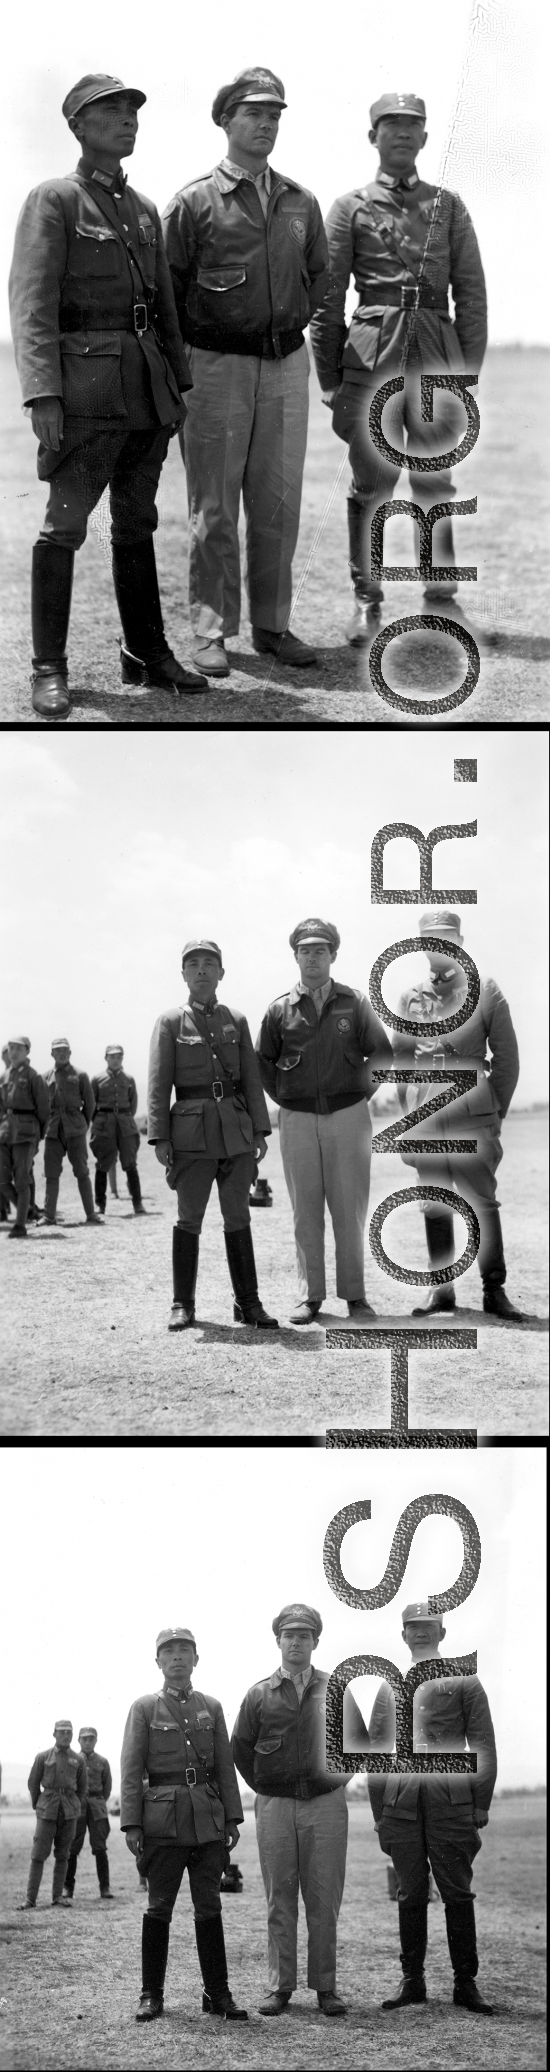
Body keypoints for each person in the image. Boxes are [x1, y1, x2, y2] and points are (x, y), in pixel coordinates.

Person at [8, 73, 209, 716]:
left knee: (137, 523)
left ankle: (146, 652)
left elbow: (165, 307)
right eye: (110, 111)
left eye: (131, 112)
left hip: (147, 391)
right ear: (78, 127)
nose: (126, 120)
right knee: (64, 527)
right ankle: (49, 668)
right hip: (85, 390)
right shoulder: (54, 200)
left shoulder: (144, 209)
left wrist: (178, 383)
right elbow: (32, 305)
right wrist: (43, 394)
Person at [163, 68, 329, 677]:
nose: (266, 124)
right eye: (253, 113)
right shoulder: (194, 201)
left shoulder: (299, 201)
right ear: (225, 120)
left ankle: (272, 625)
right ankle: (211, 631)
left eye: (275, 115)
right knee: (214, 509)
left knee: (278, 504)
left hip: (286, 364)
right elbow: (167, 293)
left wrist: (286, 325)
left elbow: (320, 278)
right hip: (216, 367)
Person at [309, 93, 487, 642]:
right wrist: (332, 379)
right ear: (374, 138)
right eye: (392, 126)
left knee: (435, 480)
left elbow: (472, 293)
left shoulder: (448, 206)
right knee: (371, 486)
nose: (403, 135)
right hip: (372, 359)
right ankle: (367, 600)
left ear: (426, 139)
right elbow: (327, 298)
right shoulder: (349, 207)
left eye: (413, 126)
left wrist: (467, 372)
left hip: (436, 354)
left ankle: (442, 597)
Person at [232, 1602, 368, 2017]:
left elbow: (359, 1745)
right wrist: (269, 1789)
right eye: (289, 1635)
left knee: (324, 1897)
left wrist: (328, 1784)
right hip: (273, 1807)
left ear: (315, 1641)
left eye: (304, 1636)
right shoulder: (258, 1694)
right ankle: (280, 1987)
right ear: (278, 1641)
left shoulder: (335, 1688)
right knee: (280, 1897)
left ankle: (326, 1987)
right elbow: (239, 1750)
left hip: (325, 1807)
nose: (296, 1642)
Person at [256, 918, 393, 1321]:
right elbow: (261, 1061)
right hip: (297, 1119)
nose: (312, 957)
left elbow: (382, 1055)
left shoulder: (354, 1003)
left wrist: (357, 1095)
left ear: (333, 955)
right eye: (305, 950)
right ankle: (309, 1296)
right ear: (295, 956)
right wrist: (283, 1097)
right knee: (305, 1210)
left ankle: (355, 1296)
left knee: (349, 1208)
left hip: (348, 1117)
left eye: (320, 950)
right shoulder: (280, 1009)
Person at [393, 909, 524, 1318]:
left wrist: (492, 1111)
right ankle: (441, 1291)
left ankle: (494, 1290)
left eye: (447, 938)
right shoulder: (410, 997)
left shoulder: (486, 991)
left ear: (460, 943)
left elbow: (507, 1061)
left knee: (481, 1202)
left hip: (473, 1113)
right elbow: (400, 1061)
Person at [367, 1601, 497, 2014]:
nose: (421, 1633)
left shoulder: (465, 1681)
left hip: (451, 1799)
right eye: (413, 1627)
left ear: (442, 1633)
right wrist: (378, 1812)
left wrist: (480, 1802)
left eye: (428, 1626)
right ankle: (413, 1981)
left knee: (457, 1891)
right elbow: (375, 1752)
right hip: (401, 1800)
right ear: (403, 1634)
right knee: (410, 1892)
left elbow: (482, 1745)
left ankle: (465, 1983)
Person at [148, 938, 278, 1330]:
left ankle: (248, 1303)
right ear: (183, 974)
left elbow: (252, 1081)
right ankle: (182, 1304)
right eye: (194, 964)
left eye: (209, 963)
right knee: (189, 1219)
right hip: (191, 1134)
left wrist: (259, 1129)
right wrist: (160, 1136)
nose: (202, 970)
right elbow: (158, 1083)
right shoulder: (170, 1022)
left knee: (238, 1216)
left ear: (221, 972)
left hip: (236, 1131)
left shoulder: (236, 1019)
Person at [120, 1626, 247, 2022]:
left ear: (196, 1659)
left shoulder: (211, 1705)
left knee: (209, 1907)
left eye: (184, 1650)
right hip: (162, 1822)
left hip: (207, 1822)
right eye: (169, 1651)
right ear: (158, 1661)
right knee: (159, 1908)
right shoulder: (144, 1708)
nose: (177, 1657)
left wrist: (231, 1816)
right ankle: (151, 1995)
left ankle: (218, 1994)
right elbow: (131, 1768)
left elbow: (225, 1767)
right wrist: (132, 1824)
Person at [22, 1721, 87, 1909]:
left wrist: (73, 1804)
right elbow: (33, 1783)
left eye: (69, 1732)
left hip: (69, 1811)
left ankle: (57, 1896)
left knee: (63, 1854)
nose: (65, 1735)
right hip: (47, 1809)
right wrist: (38, 1804)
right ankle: (30, 1899)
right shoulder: (43, 1757)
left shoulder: (78, 1760)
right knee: (38, 1854)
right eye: (61, 1732)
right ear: (54, 1734)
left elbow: (82, 1788)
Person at [43, 1039, 102, 1225]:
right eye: (57, 1050)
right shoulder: (44, 1077)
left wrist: (82, 1124)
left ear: (70, 1052)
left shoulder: (80, 1075)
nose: (61, 1053)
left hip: (75, 1128)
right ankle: (48, 1216)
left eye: (65, 1050)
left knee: (82, 1172)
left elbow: (90, 1103)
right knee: (51, 1173)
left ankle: (91, 1214)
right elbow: (41, 1105)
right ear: (51, 1054)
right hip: (53, 1130)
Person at [0, 1038, 49, 1239]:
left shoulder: (34, 1076)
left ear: (27, 1051)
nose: (14, 1052)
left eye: (18, 1049)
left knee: (21, 1180)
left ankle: (20, 1225)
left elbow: (44, 1110)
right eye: (11, 1048)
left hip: (26, 1133)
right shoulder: (5, 1076)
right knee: (2, 1180)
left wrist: (38, 1136)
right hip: (5, 1132)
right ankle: (27, 1209)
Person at [90, 1045, 144, 1214]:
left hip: (125, 1125)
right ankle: (100, 1204)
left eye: (119, 1057)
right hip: (104, 1126)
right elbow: (91, 1104)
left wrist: (124, 1117)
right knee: (102, 1163)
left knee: (130, 1163)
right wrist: (100, 1121)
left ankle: (137, 1203)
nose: (116, 1060)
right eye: (112, 1057)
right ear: (106, 1058)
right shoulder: (97, 1079)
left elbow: (133, 1104)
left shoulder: (129, 1079)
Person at [63, 1728, 113, 1901]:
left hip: (97, 1808)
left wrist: (98, 1801)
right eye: (84, 1739)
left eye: (91, 1739)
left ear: (96, 1741)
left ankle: (104, 1888)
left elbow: (107, 1787)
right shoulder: (73, 1761)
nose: (88, 1742)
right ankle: (68, 1888)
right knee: (73, 1848)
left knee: (100, 1847)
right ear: (79, 1740)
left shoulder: (103, 1761)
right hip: (78, 1808)